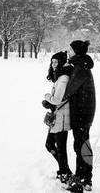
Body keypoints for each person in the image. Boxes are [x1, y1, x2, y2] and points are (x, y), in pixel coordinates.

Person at [64, 40, 96, 192]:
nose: (68, 52)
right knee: (83, 145)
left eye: (70, 50)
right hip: (83, 112)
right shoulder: (80, 65)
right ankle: (86, 179)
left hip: (82, 114)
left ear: (76, 51)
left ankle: (81, 180)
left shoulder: (80, 68)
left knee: (81, 146)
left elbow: (68, 91)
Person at [43, 50, 73, 185]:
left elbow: (57, 99)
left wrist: (47, 97)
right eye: (52, 62)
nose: (54, 64)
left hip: (62, 118)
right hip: (58, 116)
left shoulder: (63, 78)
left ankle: (65, 173)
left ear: (61, 62)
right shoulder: (59, 76)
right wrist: (49, 103)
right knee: (50, 145)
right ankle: (65, 171)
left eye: (56, 62)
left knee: (60, 149)